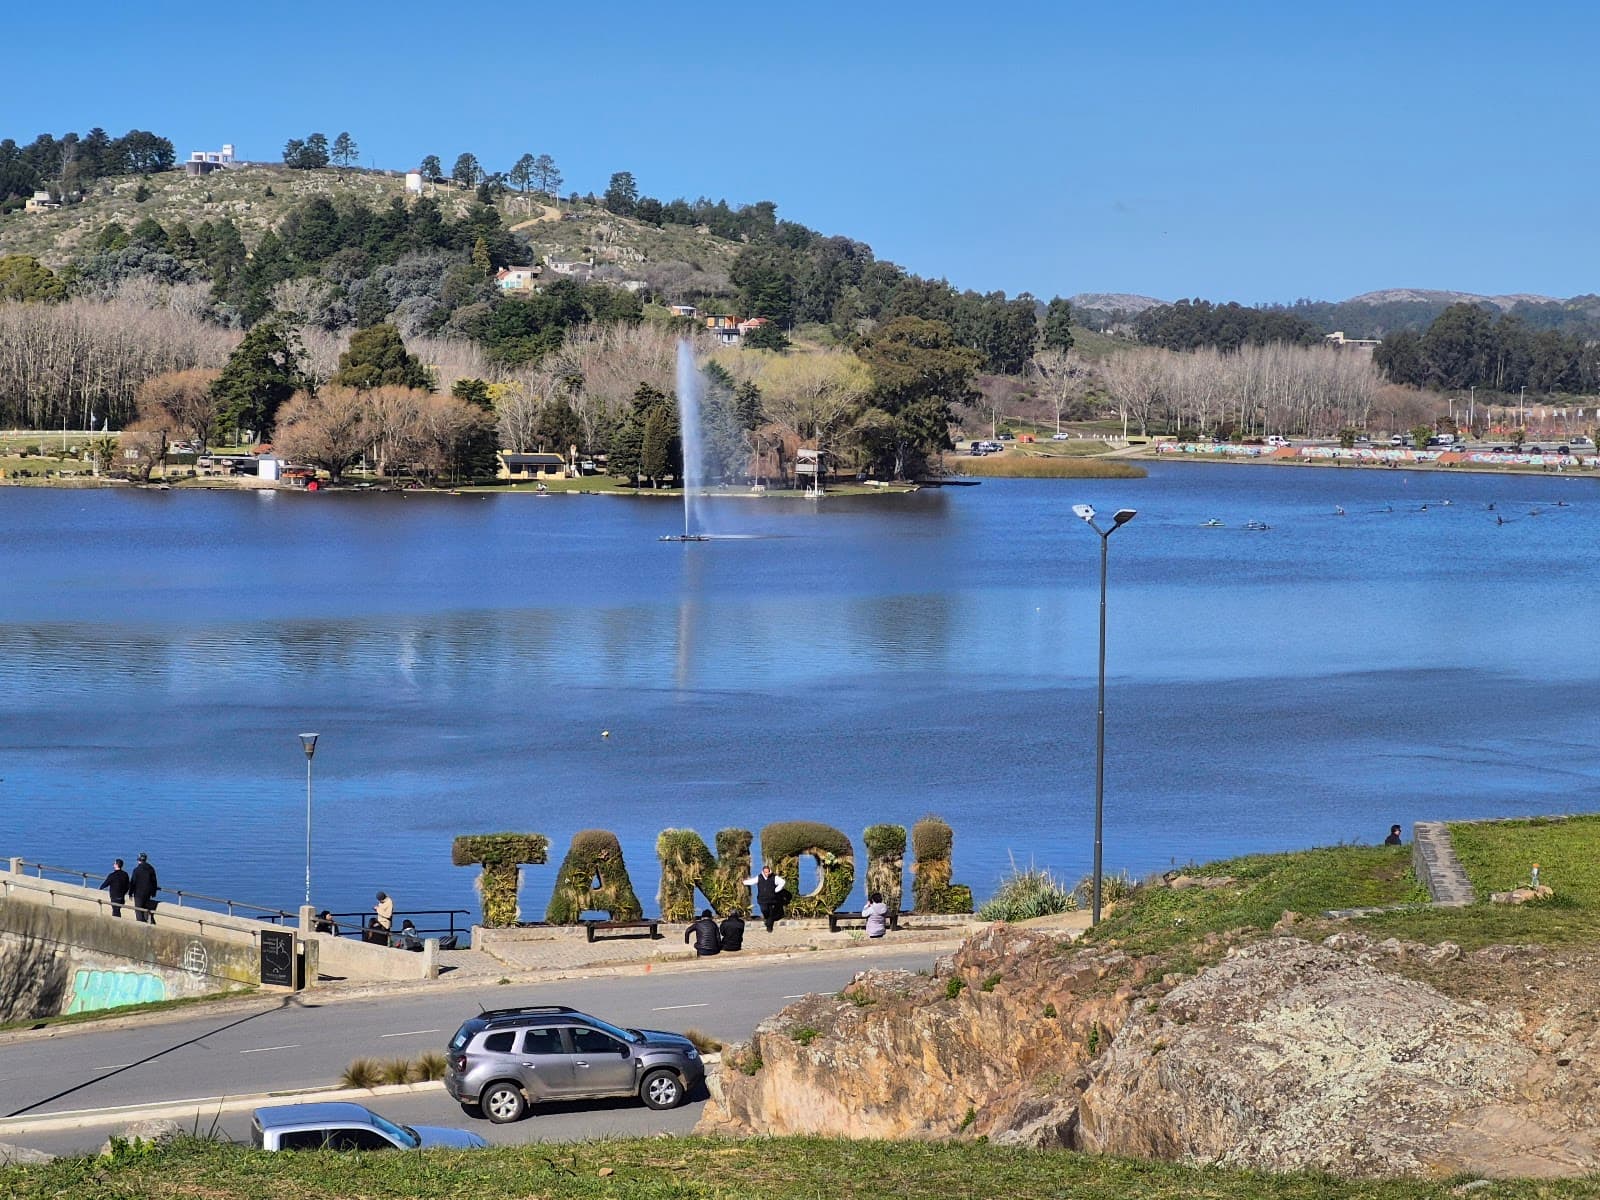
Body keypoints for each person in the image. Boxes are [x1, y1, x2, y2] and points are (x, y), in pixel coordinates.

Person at [747, 865, 788, 933]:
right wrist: (744, 882)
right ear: (763, 872)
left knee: (771, 914)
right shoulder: (759, 877)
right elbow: (752, 881)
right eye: (765, 872)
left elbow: (783, 882)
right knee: (765, 910)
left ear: (769, 871)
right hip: (762, 899)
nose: (767, 873)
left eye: (767, 872)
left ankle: (769, 928)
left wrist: (776, 889)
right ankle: (767, 921)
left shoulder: (774, 877)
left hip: (772, 900)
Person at [129, 852, 158, 924]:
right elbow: (154, 881)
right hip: (147, 893)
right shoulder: (151, 868)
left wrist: (130, 893)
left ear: (138, 860)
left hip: (138, 893)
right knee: (146, 909)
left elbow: (133, 882)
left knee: (138, 910)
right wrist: (154, 892)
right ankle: (148, 923)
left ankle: (140, 924)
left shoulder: (136, 870)